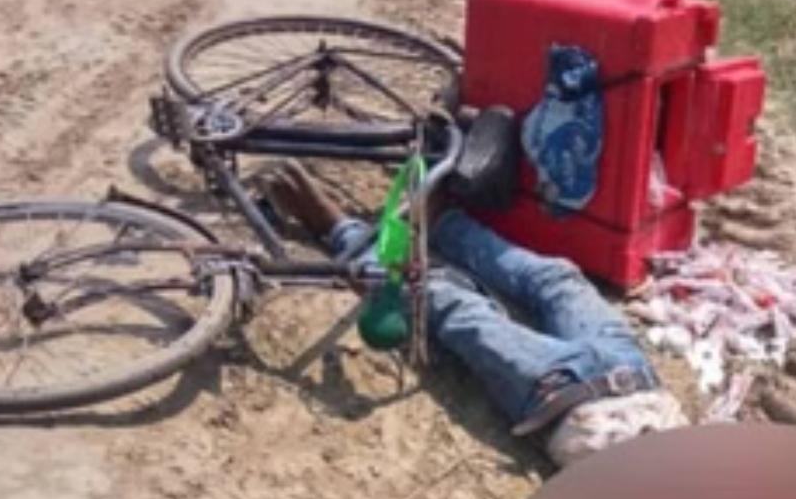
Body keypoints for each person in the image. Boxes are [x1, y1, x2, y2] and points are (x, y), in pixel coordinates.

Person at [262, 160, 688, 467]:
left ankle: (342, 234)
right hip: (634, 371)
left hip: (569, 403)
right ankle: (442, 222)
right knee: (559, 279)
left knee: (456, 306)